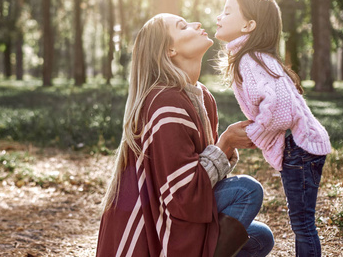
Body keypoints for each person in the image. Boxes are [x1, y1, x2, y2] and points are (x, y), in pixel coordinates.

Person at [96, 13, 273, 257]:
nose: (197, 24)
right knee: (246, 190)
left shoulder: (202, 96)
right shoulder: (165, 101)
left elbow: (198, 178)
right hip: (155, 226)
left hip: (174, 211)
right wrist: (226, 143)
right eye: (183, 26)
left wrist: (230, 144)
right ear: (170, 50)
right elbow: (182, 194)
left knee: (260, 238)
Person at [215, 0, 331, 256]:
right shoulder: (253, 57)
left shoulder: (250, 60)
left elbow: (281, 109)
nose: (219, 17)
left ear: (249, 25)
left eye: (227, 11)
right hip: (301, 146)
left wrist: (254, 134)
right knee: (302, 220)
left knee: (303, 223)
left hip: (299, 146)